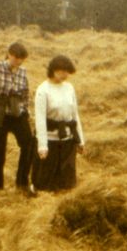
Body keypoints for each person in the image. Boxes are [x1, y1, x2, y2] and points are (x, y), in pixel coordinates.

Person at [0, 41, 35, 193]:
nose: (18, 61)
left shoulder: (22, 71)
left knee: (29, 143)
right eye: (16, 58)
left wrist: (26, 112)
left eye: (21, 59)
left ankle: (22, 183)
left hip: (16, 113)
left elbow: (25, 93)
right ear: (9, 54)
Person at [33, 54, 85, 192]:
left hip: (68, 140)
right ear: (53, 70)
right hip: (51, 141)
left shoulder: (69, 88)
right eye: (62, 71)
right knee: (46, 183)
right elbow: (40, 119)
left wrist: (80, 141)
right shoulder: (43, 90)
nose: (65, 75)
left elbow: (75, 115)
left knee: (66, 183)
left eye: (67, 71)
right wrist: (42, 146)